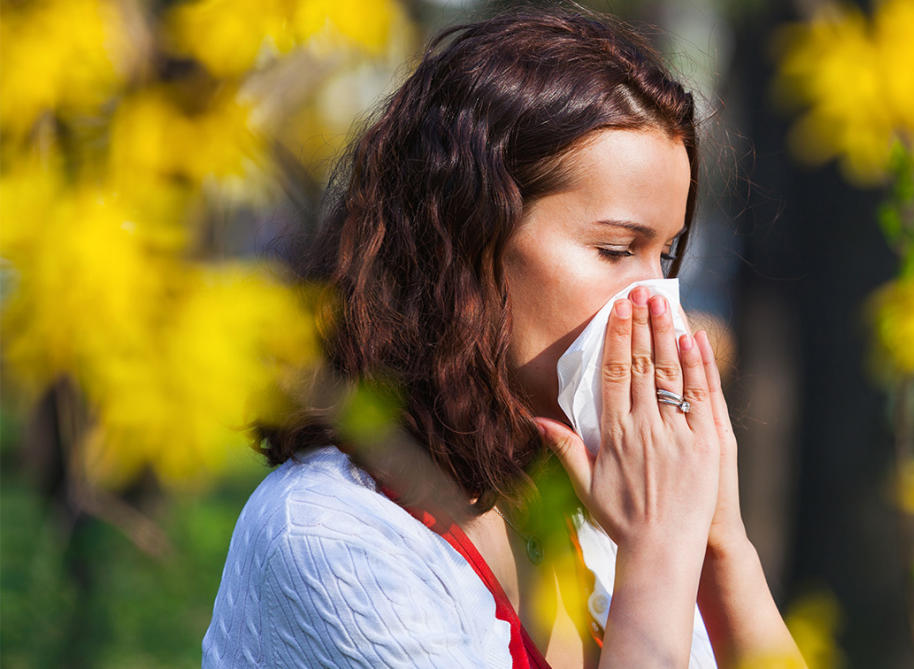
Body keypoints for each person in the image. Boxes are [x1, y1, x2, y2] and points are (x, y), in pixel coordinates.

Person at [202, 6, 804, 668]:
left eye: (663, 257)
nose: (657, 305)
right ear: (465, 239)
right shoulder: (333, 536)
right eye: (614, 248)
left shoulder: (594, 510)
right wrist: (658, 558)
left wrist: (720, 544)